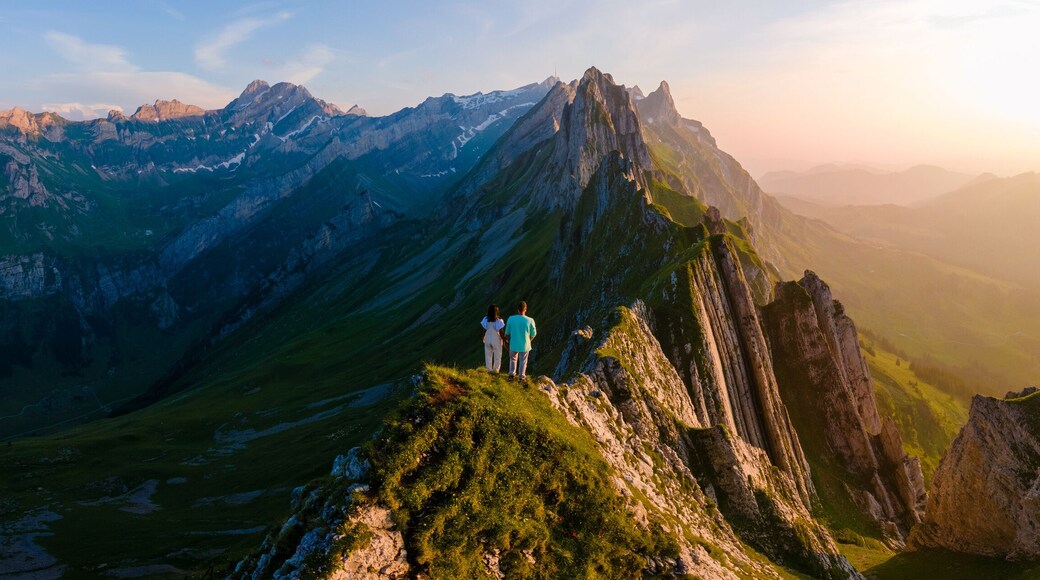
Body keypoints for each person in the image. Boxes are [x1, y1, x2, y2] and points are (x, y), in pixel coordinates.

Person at [504, 300, 537, 381]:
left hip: (513, 344)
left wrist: (509, 341)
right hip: (525, 345)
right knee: (523, 361)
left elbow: (507, 333)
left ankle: (511, 374)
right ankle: (521, 377)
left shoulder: (511, 319)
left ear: (517, 309)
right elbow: (534, 334)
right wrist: (529, 340)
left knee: (513, 359)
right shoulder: (530, 320)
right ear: (525, 309)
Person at [481, 304, 506, 372]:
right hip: (496, 340)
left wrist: (483, 337)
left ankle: (489, 370)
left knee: (488, 354)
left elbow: (484, 330)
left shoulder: (485, 319)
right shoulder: (499, 321)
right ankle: (495, 370)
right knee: (497, 355)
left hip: (488, 338)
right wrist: (504, 340)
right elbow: (501, 332)